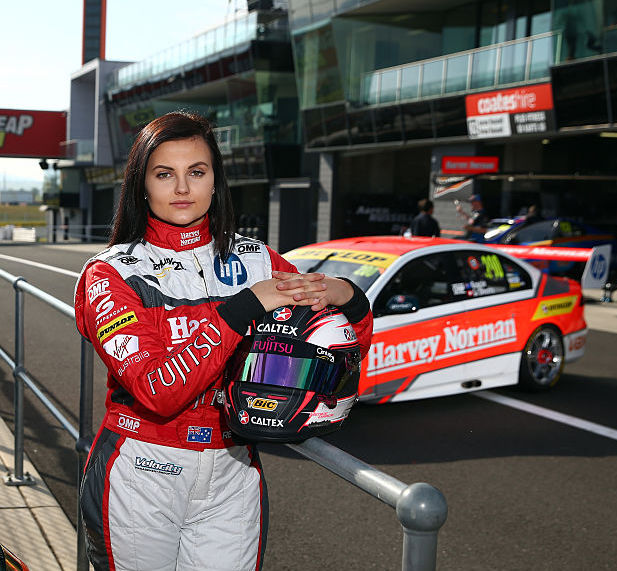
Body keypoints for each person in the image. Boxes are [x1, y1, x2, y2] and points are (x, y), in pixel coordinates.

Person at [73, 111, 373, 571]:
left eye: (196, 172)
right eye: (164, 174)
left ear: (215, 180)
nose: (181, 189)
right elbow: (157, 388)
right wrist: (242, 309)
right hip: (141, 471)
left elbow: (340, 352)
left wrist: (351, 299)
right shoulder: (110, 273)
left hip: (234, 468)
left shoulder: (259, 261)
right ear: (142, 185)